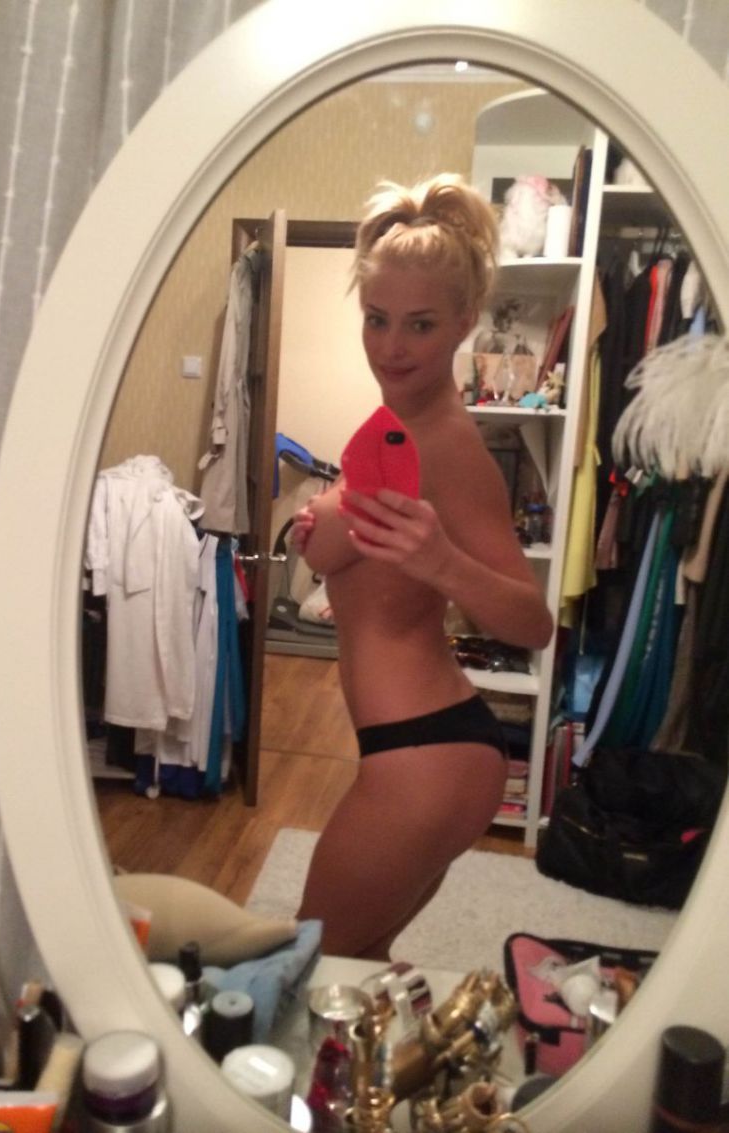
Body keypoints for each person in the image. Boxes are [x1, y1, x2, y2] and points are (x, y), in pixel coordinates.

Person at [292, 174, 554, 960]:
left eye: (420, 324)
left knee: (312, 964)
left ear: (465, 322)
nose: (391, 347)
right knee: (361, 958)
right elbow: (341, 551)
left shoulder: (446, 445)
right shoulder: (395, 427)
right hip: (420, 748)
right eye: (377, 319)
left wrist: (441, 561)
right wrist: (324, 524)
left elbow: (533, 622)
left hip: (425, 758)